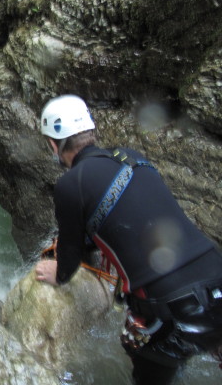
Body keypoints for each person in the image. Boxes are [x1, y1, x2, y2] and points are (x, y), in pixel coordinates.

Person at [34, 94, 222, 384]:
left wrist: (57, 273)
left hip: (169, 304)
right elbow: (131, 218)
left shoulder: (71, 184)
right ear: (89, 130)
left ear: (53, 144)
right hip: (216, 276)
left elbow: (69, 258)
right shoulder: (132, 157)